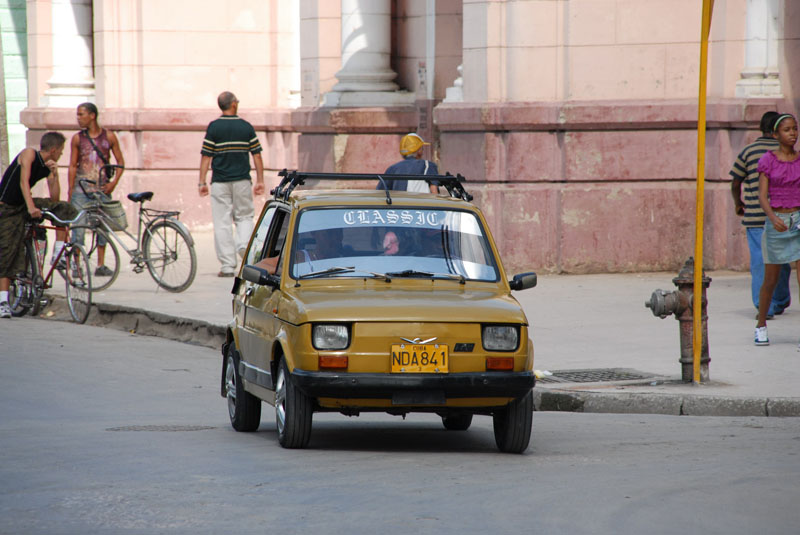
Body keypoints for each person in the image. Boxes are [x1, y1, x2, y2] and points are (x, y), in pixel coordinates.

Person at [0, 132, 78, 318]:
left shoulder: (47, 166)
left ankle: (58, 253)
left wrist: (54, 175)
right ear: (53, 150)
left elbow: (54, 198)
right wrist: (31, 207)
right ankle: (3, 301)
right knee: (8, 252)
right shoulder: (29, 154)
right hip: (8, 208)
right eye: (60, 151)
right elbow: (23, 182)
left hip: (26, 205)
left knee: (62, 209)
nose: (61, 154)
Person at [730, 111, 791, 319]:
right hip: (783, 216)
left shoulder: (748, 151)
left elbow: (736, 181)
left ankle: (765, 305)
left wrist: (739, 203)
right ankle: (780, 299)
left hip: (756, 217)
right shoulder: (786, 153)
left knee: (759, 261)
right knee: (782, 260)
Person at [199, 91, 265, 277]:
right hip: (242, 180)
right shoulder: (246, 127)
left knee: (222, 222)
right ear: (233, 104)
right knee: (244, 216)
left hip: (220, 182)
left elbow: (206, 156)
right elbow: (257, 155)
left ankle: (227, 266)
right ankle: (243, 245)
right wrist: (260, 180)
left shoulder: (214, 128)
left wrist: (201, 181)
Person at [754, 113, 800, 346]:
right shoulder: (768, 160)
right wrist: (772, 218)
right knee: (770, 280)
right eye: (786, 130)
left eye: (795, 129)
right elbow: (762, 196)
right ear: (775, 134)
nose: (792, 133)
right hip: (777, 221)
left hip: (799, 220)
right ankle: (761, 324)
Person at [68, 102, 125, 277]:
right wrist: (70, 189)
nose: (78, 118)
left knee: (102, 227)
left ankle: (100, 264)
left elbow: (120, 162)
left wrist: (113, 183)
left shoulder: (109, 137)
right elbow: (72, 165)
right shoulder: (78, 138)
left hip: (102, 189)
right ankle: (77, 264)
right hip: (81, 189)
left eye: (81, 114)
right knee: (78, 227)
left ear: (92, 115)